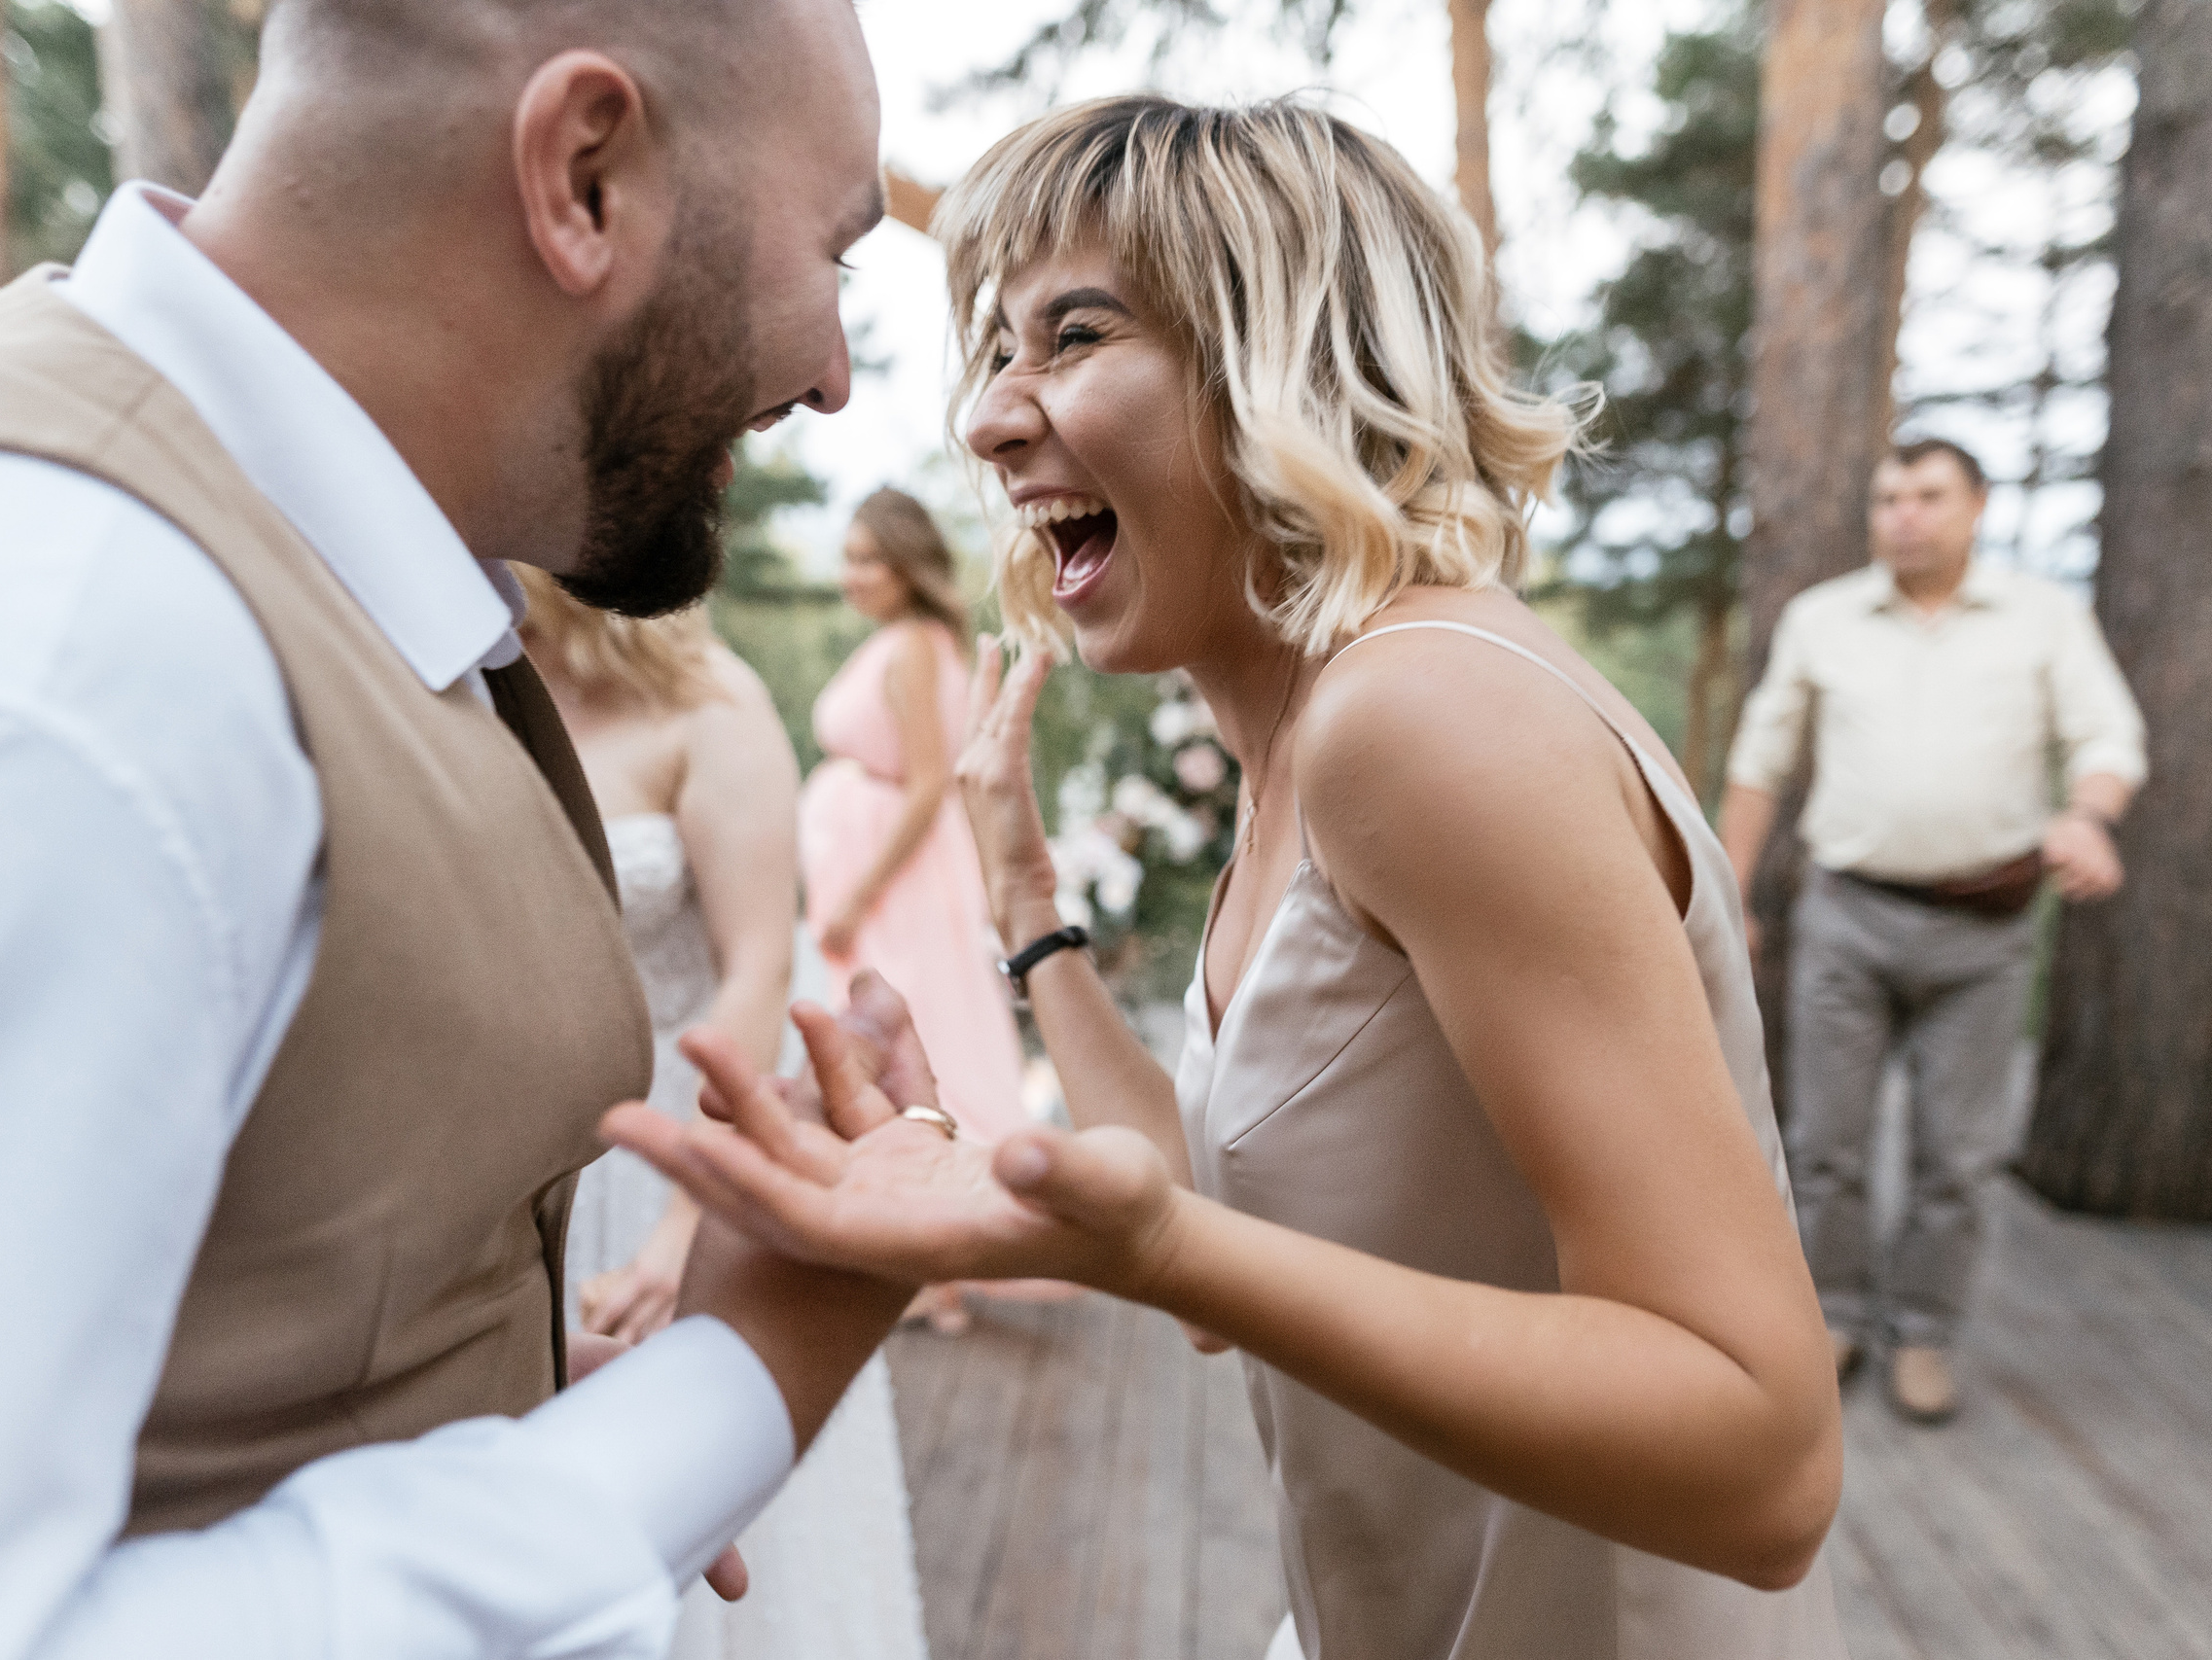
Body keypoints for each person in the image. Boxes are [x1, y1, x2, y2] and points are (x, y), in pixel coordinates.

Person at [0, 2, 920, 1655]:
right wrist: (729, 1392)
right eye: (832, 250)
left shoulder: (248, 584)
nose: (833, 371)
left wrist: (480, 1396)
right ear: (585, 175)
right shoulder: (44, 670)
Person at [608, 94, 1850, 1660]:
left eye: (1073, 335)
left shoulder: (1425, 716)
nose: (993, 416)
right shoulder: (1304, 740)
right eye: (997, 349)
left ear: (1287, 359)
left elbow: (1765, 1459)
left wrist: (1164, 1247)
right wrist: (1027, 905)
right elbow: (1219, 1256)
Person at [511, 563, 931, 1660]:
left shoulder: (711, 702)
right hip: (520, 1168)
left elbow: (758, 970)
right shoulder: (468, 688)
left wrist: (693, 1210)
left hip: (680, 1142)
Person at [1716, 437, 2147, 1426]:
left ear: (1976, 507)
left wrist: (2085, 814)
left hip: (1984, 934)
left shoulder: (2043, 618)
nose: (1903, 513)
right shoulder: (1823, 620)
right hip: (1846, 916)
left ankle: (1923, 1333)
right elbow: (1761, 758)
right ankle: (1832, 1314)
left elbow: (2105, 737)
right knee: (1825, 1141)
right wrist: (1729, 895)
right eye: (1886, 497)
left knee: (1955, 1156)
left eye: (1926, 494)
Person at [802, 487, 1034, 1330]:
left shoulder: (909, 649)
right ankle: (928, 1258)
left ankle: (933, 1263)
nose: (850, 574)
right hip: (893, 878)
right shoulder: (919, 643)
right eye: (848, 556)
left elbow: (929, 781)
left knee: (903, 1049)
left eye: (867, 557)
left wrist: (856, 893)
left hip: (892, 891)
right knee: (916, 1045)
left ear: (905, 564)